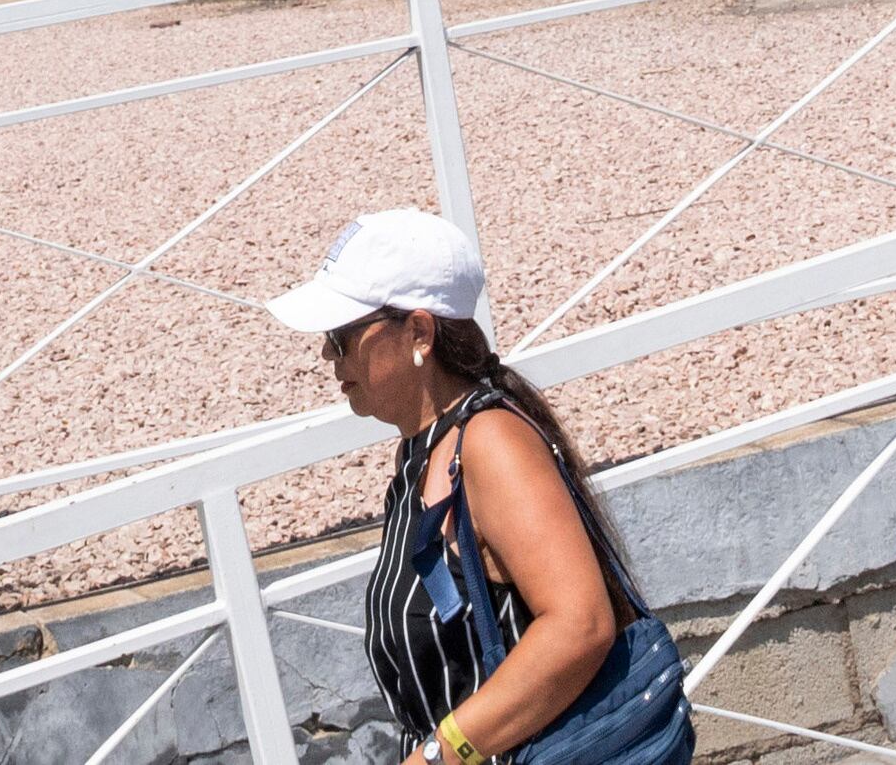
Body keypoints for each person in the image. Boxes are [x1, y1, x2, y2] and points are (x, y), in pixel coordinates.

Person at [271, 209, 689, 765]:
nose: (328, 355)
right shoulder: (423, 457)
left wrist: (443, 753)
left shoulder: (490, 444)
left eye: (341, 336)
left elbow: (580, 624)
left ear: (419, 331)